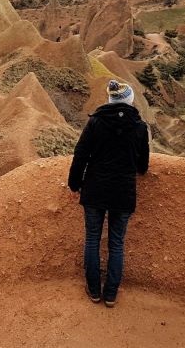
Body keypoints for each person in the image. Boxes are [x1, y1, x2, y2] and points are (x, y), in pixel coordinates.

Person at [67, 79, 150, 307]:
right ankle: (111, 295)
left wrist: (74, 183)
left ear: (111, 99)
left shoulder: (95, 123)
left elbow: (80, 155)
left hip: (95, 189)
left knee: (92, 239)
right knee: (116, 243)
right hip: (123, 193)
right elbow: (143, 166)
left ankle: (94, 290)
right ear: (130, 101)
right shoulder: (140, 128)